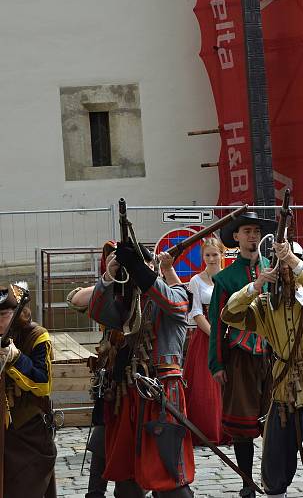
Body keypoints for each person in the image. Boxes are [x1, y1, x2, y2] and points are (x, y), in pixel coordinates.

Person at [221, 239, 303, 498]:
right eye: (281, 267)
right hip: (283, 395)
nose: (285, 272)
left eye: (290, 267)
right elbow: (229, 315)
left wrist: (294, 262)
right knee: (273, 473)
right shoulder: (265, 305)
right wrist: (257, 285)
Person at [87, 242, 194, 497]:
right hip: (129, 397)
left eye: (142, 266)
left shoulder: (175, 295)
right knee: (128, 479)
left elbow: (176, 303)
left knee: (169, 473)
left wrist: (143, 269)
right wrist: (110, 273)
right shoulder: (126, 305)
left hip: (161, 397)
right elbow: (97, 309)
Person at [209, 211, 277, 498]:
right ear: (236, 237)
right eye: (247, 231)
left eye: (256, 231)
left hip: (273, 356)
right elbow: (217, 324)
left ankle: (275, 480)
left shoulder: (275, 269)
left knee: (277, 423)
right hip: (240, 357)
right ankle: (247, 482)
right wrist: (217, 364)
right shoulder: (225, 278)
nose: (253, 236)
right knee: (243, 425)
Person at [65, 241, 119, 498]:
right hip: (112, 377)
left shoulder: (147, 287)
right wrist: (110, 275)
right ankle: (95, 493)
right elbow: (74, 299)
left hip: (143, 376)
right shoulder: (106, 288)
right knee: (102, 439)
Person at [1, 282, 57, 498]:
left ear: (18, 313)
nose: (0, 320)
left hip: (28, 430)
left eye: (5, 314)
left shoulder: (36, 336)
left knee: (26, 488)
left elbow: (43, 385)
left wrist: (15, 358)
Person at [184, 237, 227, 444]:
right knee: (205, 385)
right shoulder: (196, 281)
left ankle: (229, 427)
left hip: (229, 333)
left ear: (222, 254)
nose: (211, 259)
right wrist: (215, 336)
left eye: (214, 254)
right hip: (206, 336)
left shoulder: (227, 277)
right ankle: (206, 429)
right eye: (207, 255)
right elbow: (196, 313)